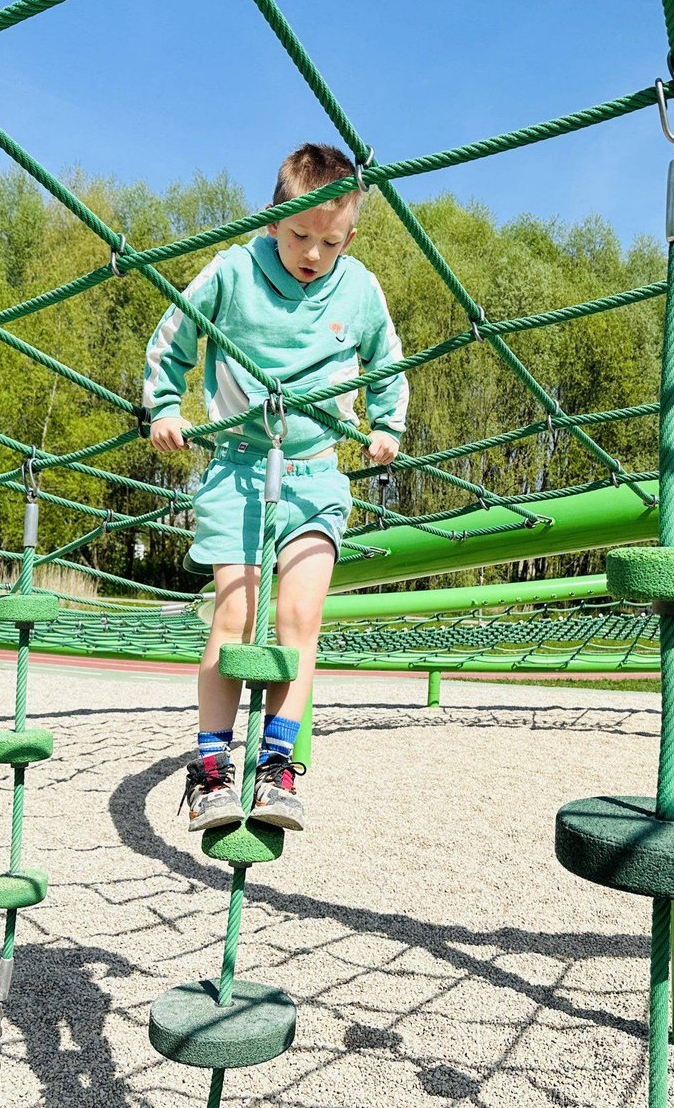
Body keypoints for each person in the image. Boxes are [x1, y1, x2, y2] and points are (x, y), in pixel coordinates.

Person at [144, 142, 409, 833]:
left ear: (350, 236)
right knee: (234, 617)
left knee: (298, 618)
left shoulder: (360, 289)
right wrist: (164, 406)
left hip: (316, 473)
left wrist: (387, 424)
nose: (313, 254)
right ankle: (210, 771)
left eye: (330, 241)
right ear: (272, 221)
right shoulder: (233, 272)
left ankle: (277, 767)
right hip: (238, 468)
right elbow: (172, 336)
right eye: (298, 236)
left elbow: (387, 359)